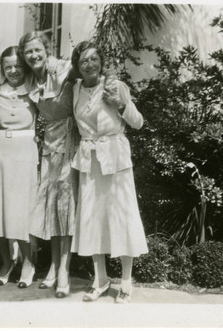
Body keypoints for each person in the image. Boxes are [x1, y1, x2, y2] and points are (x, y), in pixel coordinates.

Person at [69, 41, 148, 303]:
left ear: (101, 61)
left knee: (122, 218)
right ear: (77, 67)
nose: (89, 64)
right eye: (83, 61)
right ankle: (100, 280)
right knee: (92, 220)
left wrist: (121, 104)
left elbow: (138, 123)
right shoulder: (76, 89)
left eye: (94, 59)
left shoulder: (115, 86)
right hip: (89, 160)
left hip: (115, 157)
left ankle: (126, 281)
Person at [19, 31, 79, 298]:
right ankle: (54, 266)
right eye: (28, 52)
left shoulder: (62, 67)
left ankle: (64, 270)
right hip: (49, 146)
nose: (33, 55)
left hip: (70, 142)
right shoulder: (31, 80)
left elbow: (88, 75)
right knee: (53, 206)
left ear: (47, 49)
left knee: (66, 207)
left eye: (37, 50)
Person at [0, 46, 38, 288]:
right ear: (2, 68)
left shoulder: (34, 89)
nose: (13, 70)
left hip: (25, 152)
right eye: (8, 66)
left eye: (18, 65)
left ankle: (29, 262)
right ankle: (6, 262)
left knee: (21, 211)